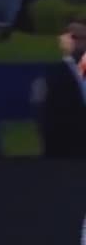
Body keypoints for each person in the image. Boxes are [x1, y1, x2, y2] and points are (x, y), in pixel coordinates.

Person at [32, 20, 86, 157]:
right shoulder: (51, 75)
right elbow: (43, 114)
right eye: (73, 37)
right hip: (65, 153)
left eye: (83, 38)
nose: (78, 42)